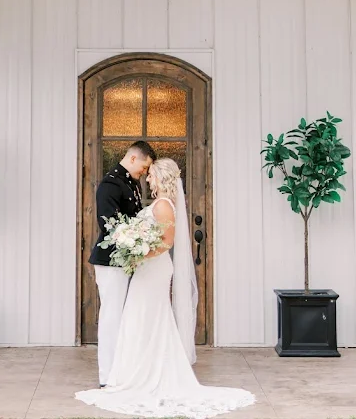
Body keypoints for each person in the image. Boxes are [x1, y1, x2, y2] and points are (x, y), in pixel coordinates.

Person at [77, 158, 256, 418]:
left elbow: (166, 243)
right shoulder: (160, 204)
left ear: (161, 179)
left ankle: (147, 375)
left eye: (151, 176)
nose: (147, 179)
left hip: (153, 271)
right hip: (146, 271)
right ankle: (137, 371)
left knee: (146, 318)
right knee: (142, 320)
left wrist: (139, 253)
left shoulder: (163, 205)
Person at [89, 140, 157, 388]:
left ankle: (124, 370)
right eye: (144, 167)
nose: (144, 173)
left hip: (126, 261)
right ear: (132, 159)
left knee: (125, 316)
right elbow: (109, 226)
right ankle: (107, 375)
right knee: (112, 316)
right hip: (111, 262)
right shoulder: (110, 184)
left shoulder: (130, 182)